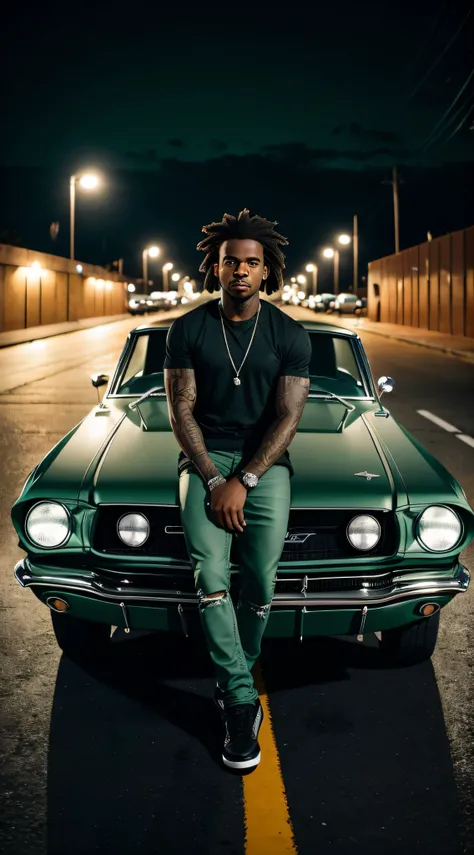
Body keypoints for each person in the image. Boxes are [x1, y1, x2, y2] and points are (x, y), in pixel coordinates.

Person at [163, 209, 311, 770]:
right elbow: (181, 409)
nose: (241, 271)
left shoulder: (290, 335)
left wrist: (245, 479)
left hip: (265, 464)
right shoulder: (188, 329)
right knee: (209, 575)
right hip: (203, 461)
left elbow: (287, 418)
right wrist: (211, 477)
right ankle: (240, 698)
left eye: (252, 262)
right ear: (215, 268)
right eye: (231, 262)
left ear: (267, 269)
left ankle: (237, 672)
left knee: (261, 579)